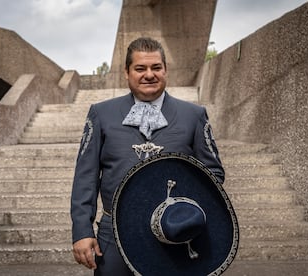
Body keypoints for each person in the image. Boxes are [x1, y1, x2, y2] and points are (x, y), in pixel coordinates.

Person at [70, 37, 225, 275]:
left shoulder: (193, 115)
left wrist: (181, 212)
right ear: (127, 72)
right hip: (114, 233)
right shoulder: (101, 113)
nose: (149, 75)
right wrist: (82, 231)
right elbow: (85, 177)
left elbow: (214, 173)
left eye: (156, 68)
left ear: (165, 70)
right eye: (140, 68)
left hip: (176, 235)